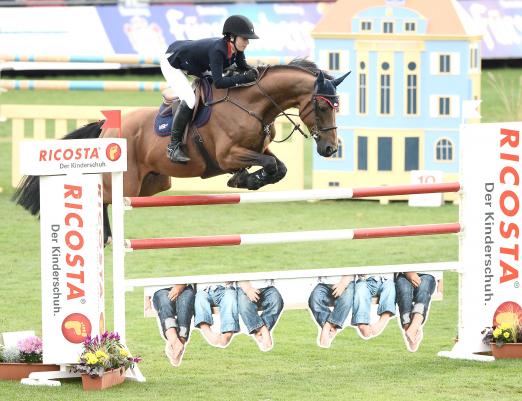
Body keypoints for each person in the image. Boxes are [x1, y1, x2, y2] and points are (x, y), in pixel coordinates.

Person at [160, 15, 260, 164]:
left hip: (194, 61)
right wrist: (245, 77)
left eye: (248, 39)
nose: (247, 42)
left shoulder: (235, 48)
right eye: (244, 38)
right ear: (232, 37)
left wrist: (259, 71)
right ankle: (173, 147)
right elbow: (220, 82)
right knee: (190, 99)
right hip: (172, 63)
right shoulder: (218, 50)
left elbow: (242, 66)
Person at [152, 284, 195, 367]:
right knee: (165, 302)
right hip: (161, 289)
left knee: (185, 304)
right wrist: (147, 302)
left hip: (185, 288)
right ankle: (175, 341)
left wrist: (180, 286)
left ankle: (178, 342)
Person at [308, 275, 355, 348]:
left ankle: (327, 326)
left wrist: (343, 283)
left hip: (346, 282)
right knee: (314, 298)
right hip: (325, 283)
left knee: (346, 300)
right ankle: (331, 326)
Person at [237, 280, 284, 352]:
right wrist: (247, 289)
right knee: (245, 306)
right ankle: (263, 329)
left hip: (266, 287)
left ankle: (259, 331)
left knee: (277, 301)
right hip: (244, 288)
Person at [395, 272, 436, 352]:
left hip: (427, 274)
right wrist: (408, 273)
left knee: (423, 290)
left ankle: (414, 327)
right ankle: (409, 328)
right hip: (403, 275)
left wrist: (440, 286)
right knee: (404, 291)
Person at [194, 282, 240, 347]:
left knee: (230, 298)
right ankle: (207, 331)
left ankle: (228, 332)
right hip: (204, 290)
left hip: (226, 289)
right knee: (200, 299)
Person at [352, 274, 396, 338]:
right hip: (365, 281)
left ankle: (382, 321)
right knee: (360, 291)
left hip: (385, 279)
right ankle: (362, 323)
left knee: (390, 289)